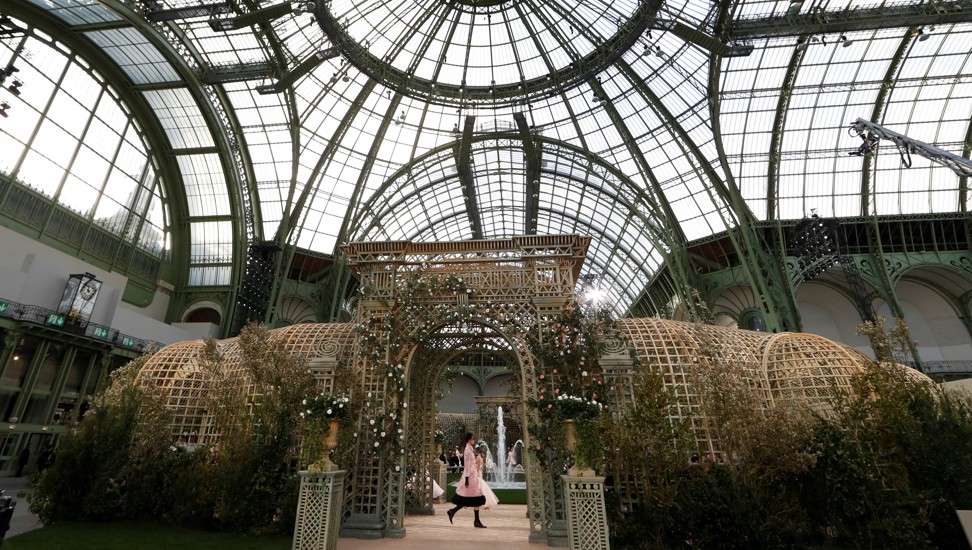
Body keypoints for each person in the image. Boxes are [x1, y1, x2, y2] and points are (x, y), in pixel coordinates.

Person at [446, 432, 487, 528]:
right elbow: (467, 465)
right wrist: (467, 479)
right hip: (470, 477)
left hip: (473, 475)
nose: (474, 440)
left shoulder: (470, 449)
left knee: (473, 498)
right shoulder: (467, 451)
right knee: (473, 497)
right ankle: (475, 520)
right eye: (472, 438)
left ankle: (455, 512)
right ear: (468, 439)